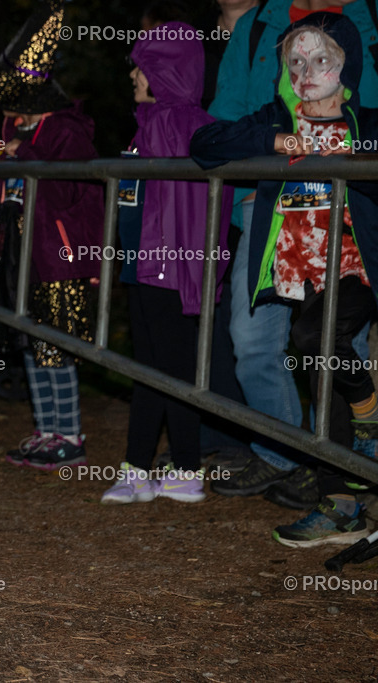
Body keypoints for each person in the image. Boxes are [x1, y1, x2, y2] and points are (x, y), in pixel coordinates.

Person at [192, 12, 378, 546]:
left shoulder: (366, 122)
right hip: (300, 271)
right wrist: (275, 142)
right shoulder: (279, 117)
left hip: (355, 269)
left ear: (348, 65)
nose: (306, 71)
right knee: (324, 371)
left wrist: (354, 153)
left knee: (318, 342)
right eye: (295, 61)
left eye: (322, 59)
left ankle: (369, 418)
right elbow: (205, 143)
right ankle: (340, 505)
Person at [100, 21, 232, 504]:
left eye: (142, 67)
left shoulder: (181, 124)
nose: (133, 77)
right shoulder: (150, 124)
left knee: (169, 368)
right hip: (144, 265)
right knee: (153, 367)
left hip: (168, 268)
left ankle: (185, 469)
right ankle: (142, 468)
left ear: (165, 71)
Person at [0, 2, 103, 472]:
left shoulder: (66, 128)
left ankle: (70, 434)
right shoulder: (15, 126)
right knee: (32, 340)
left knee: (57, 344)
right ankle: (46, 428)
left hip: (59, 257)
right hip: (22, 255)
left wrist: (22, 151)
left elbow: (71, 185)